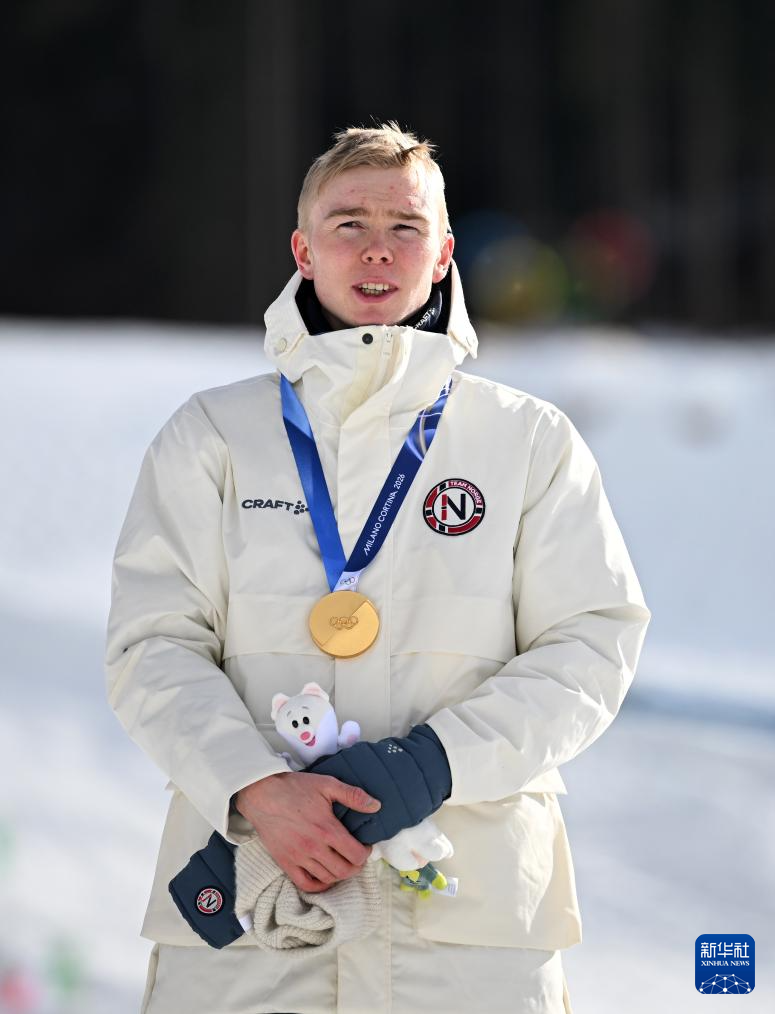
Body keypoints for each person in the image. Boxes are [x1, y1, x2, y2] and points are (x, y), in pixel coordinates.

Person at [105, 122, 651, 1014]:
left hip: (469, 928)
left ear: (442, 255)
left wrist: (437, 763)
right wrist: (256, 787)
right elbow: (151, 645)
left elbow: (591, 644)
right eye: (348, 224)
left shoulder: (527, 440)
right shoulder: (213, 435)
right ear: (302, 249)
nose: (376, 250)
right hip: (258, 913)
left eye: (404, 227)